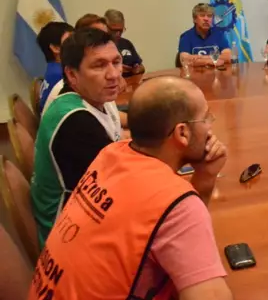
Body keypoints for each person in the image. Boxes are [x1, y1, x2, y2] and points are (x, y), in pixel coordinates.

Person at [28, 77, 232, 300]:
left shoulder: (110, 154)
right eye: (206, 118)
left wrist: (205, 177)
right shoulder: (175, 203)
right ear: (182, 133)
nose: (210, 127)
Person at [31, 28, 124, 247]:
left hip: (82, 219)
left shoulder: (92, 97)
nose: (113, 74)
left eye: (116, 62)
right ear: (72, 75)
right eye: (99, 65)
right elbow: (123, 185)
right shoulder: (75, 121)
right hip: (67, 239)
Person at [35, 21, 74, 113]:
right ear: (56, 48)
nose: (77, 43)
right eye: (70, 39)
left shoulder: (53, 68)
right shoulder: (61, 74)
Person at [105, 8, 145, 77]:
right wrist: (117, 67)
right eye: (114, 30)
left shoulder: (126, 43)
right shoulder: (100, 46)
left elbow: (141, 67)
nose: (118, 34)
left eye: (120, 30)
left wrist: (137, 69)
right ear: (106, 27)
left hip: (131, 81)